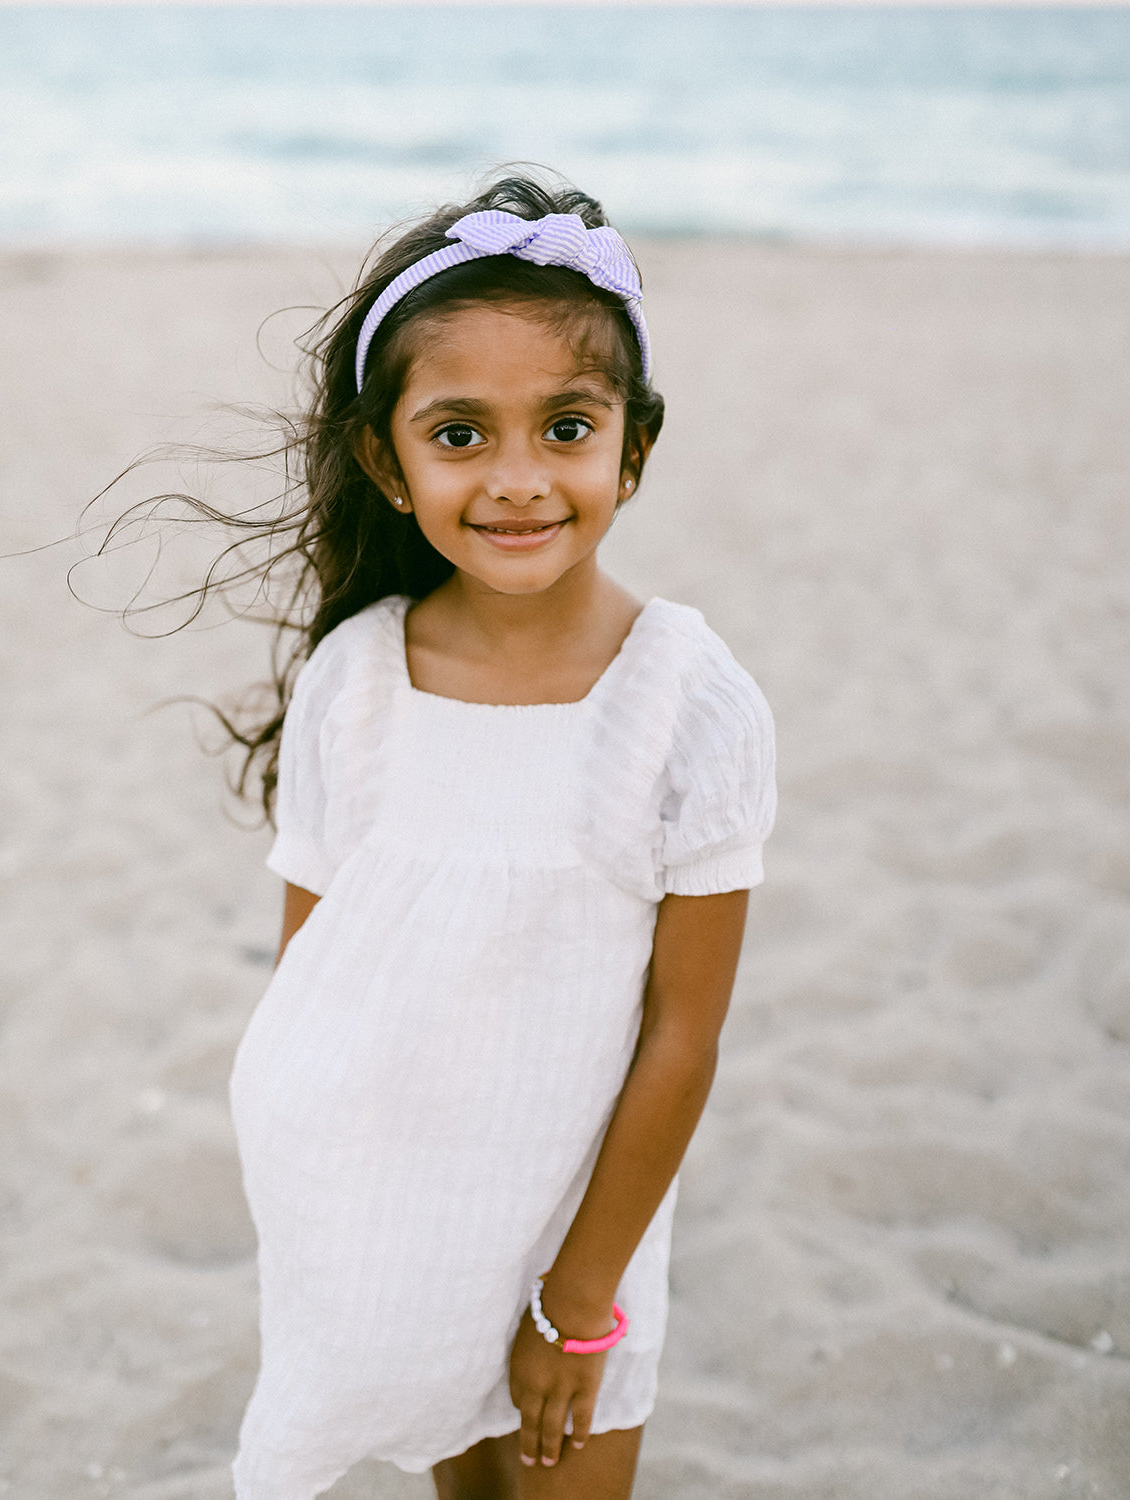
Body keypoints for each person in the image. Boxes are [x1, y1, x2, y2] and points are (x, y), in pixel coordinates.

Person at [225, 172, 776, 1500]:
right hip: (392, 1220)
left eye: (566, 427)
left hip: (575, 1232)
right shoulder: (353, 679)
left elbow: (683, 1035)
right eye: (460, 434)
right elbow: (316, 983)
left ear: (633, 448)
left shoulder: (689, 704)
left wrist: (578, 1299)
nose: (518, 480)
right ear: (387, 462)